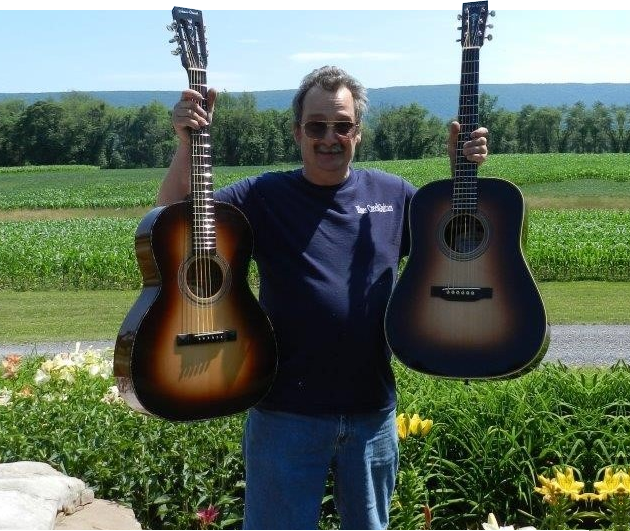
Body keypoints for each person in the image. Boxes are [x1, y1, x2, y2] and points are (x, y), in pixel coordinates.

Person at [160, 65, 488, 531]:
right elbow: (172, 223)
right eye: (317, 126)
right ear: (298, 132)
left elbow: (459, 249)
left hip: (371, 413)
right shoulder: (263, 195)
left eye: (342, 126)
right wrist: (184, 141)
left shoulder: (393, 195)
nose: (329, 138)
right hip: (283, 414)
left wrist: (464, 178)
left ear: (359, 132)